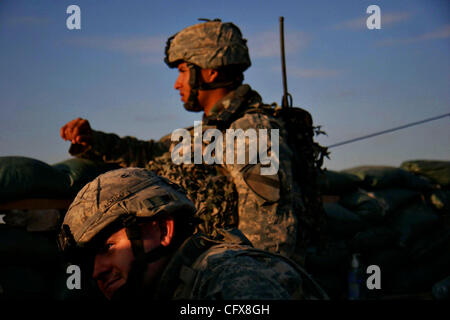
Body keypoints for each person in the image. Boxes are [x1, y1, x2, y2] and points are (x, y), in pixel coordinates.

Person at [60, 19, 327, 264]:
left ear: (209, 72)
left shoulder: (252, 133)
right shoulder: (212, 132)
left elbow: (268, 236)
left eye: (183, 71)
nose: (177, 84)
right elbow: (151, 154)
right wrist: (94, 141)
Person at [57, 167, 328, 300]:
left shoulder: (232, 277)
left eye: (108, 247)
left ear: (163, 229)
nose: (96, 271)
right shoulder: (166, 288)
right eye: (90, 259)